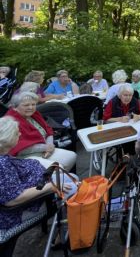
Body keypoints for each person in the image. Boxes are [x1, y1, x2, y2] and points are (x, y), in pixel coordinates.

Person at [0, 116, 75, 257]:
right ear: (7, 139)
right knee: (74, 187)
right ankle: (63, 235)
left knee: (70, 178)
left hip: (36, 183)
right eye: (17, 133)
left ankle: (63, 230)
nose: (20, 134)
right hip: (17, 212)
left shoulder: (3, 156)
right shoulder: (2, 165)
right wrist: (50, 187)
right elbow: (12, 199)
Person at [6, 92, 77, 169]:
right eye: (26, 105)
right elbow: (19, 148)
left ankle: (57, 179)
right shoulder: (10, 121)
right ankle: (49, 180)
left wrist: (50, 147)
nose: (31, 107)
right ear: (15, 107)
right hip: (25, 157)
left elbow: (48, 130)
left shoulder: (34, 114)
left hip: (45, 149)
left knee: (71, 156)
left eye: (33, 104)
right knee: (57, 168)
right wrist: (45, 147)